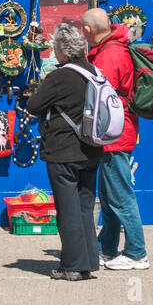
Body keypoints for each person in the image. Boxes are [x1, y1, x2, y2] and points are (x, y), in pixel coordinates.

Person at [24, 22, 103, 281]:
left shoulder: (60, 77)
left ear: (62, 52)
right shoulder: (94, 72)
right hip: (91, 150)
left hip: (64, 152)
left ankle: (71, 266)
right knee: (84, 208)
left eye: (55, 49)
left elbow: (34, 105)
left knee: (67, 210)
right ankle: (88, 262)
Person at [82, 8, 147, 271]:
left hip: (113, 135)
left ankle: (136, 253)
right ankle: (106, 248)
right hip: (116, 134)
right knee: (109, 195)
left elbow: (99, 96)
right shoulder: (115, 47)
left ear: (88, 31)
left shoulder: (110, 54)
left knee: (120, 196)